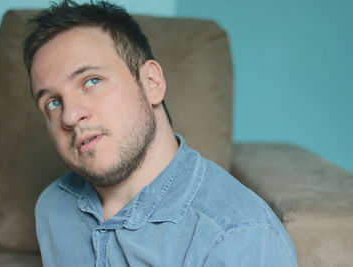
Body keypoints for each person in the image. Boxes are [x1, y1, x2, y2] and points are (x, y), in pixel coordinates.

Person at [23, 0, 297, 266]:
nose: (70, 116)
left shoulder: (237, 236)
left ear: (151, 83)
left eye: (91, 81)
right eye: (53, 103)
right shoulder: (53, 207)